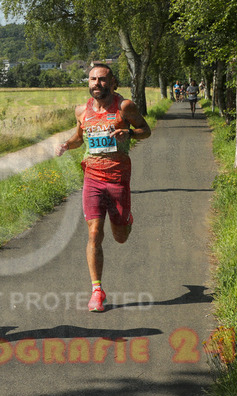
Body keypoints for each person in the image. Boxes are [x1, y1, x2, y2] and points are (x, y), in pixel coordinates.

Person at [55, 64, 151, 312]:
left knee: (120, 237)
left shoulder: (124, 107)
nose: (97, 83)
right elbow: (79, 138)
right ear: (88, 82)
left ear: (113, 82)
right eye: (93, 79)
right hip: (92, 178)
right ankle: (97, 291)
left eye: (102, 79)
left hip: (118, 177)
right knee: (94, 233)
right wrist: (66, 145)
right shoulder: (81, 111)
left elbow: (145, 130)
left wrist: (129, 134)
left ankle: (126, 219)